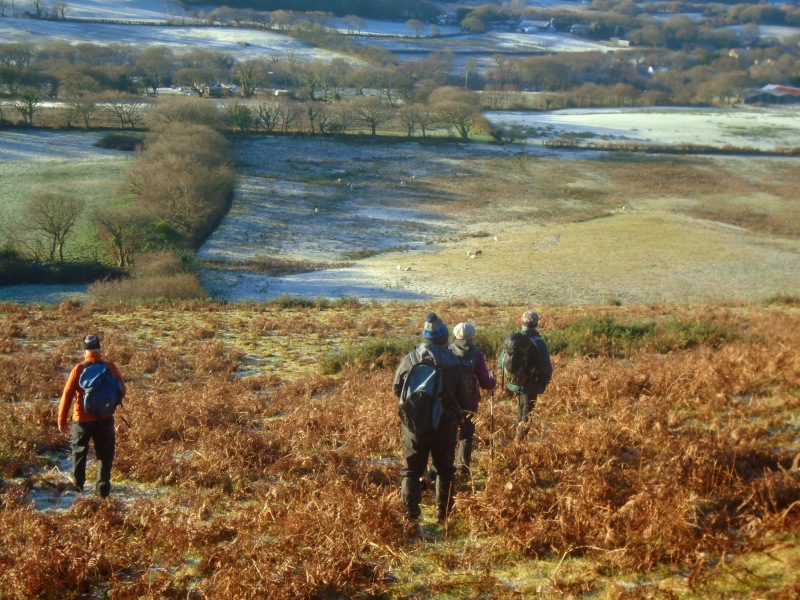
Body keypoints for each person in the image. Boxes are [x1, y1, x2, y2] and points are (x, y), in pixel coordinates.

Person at [393, 312, 471, 523]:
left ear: (424, 336)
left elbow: (396, 388)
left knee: (410, 470)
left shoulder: (410, 359)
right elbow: (465, 398)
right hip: (444, 426)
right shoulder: (454, 362)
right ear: (444, 337)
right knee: (445, 471)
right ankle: (442, 517)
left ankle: (411, 516)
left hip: (414, 425)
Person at [58, 335, 126, 498]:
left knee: (79, 451)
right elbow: (122, 390)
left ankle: (79, 485)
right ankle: (103, 489)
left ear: (84, 351)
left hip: (81, 419)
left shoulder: (79, 369)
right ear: (99, 350)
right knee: (105, 453)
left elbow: (67, 395)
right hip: (105, 418)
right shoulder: (110, 367)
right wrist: (109, 407)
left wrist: (62, 421)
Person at [449, 322, 496, 475]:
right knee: (466, 436)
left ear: (456, 335)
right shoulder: (477, 355)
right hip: (470, 400)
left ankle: (446, 466)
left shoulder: (448, 351)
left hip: (450, 401)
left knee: (449, 434)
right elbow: (486, 384)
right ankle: (462, 468)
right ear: (472, 336)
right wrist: (493, 380)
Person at [500, 310, 552, 441]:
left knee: (522, 406)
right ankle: (520, 441)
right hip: (532, 383)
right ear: (536, 324)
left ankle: (518, 435)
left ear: (522, 322)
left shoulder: (513, 339)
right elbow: (546, 368)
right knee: (527, 411)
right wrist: (543, 383)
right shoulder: (539, 342)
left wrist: (510, 377)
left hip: (514, 381)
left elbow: (501, 363)